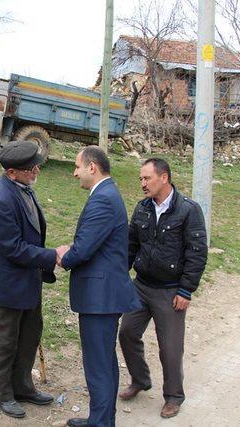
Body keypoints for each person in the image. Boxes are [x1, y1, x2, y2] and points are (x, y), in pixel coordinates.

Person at [56, 146, 141, 427]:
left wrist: (63, 256)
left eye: (77, 166)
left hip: (100, 297)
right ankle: (102, 418)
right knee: (102, 360)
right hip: (102, 295)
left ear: (92, 167)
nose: (74, 172)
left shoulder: (103, 199)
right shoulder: (105, 194)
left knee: (98, 364)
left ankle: (101, 423)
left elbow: (83, 250)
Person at [118, 158, 208, 419]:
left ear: (164, 177)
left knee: (170, 347)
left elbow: (197, 253)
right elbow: (130, 245)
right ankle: (140, 379)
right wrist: (120, 276)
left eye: (147, 178)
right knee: (127, 332)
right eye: (141, 179)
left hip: (170, 291)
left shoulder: (188, 210)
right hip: (141, 286)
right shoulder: (142, 208)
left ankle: (173, 396)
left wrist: (186, 290)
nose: (142, 184)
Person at [0, 140, 57, 418]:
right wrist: (52, 256)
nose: (36, 169)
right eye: (30, 168)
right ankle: (1, 392)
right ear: (11, 172)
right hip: (9, 285)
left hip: (29, 280)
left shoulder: (22, 186)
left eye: (36, 164)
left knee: (29, 334)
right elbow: (12, 248)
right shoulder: (0, 199)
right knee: (6, 341)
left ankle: (23, 387)